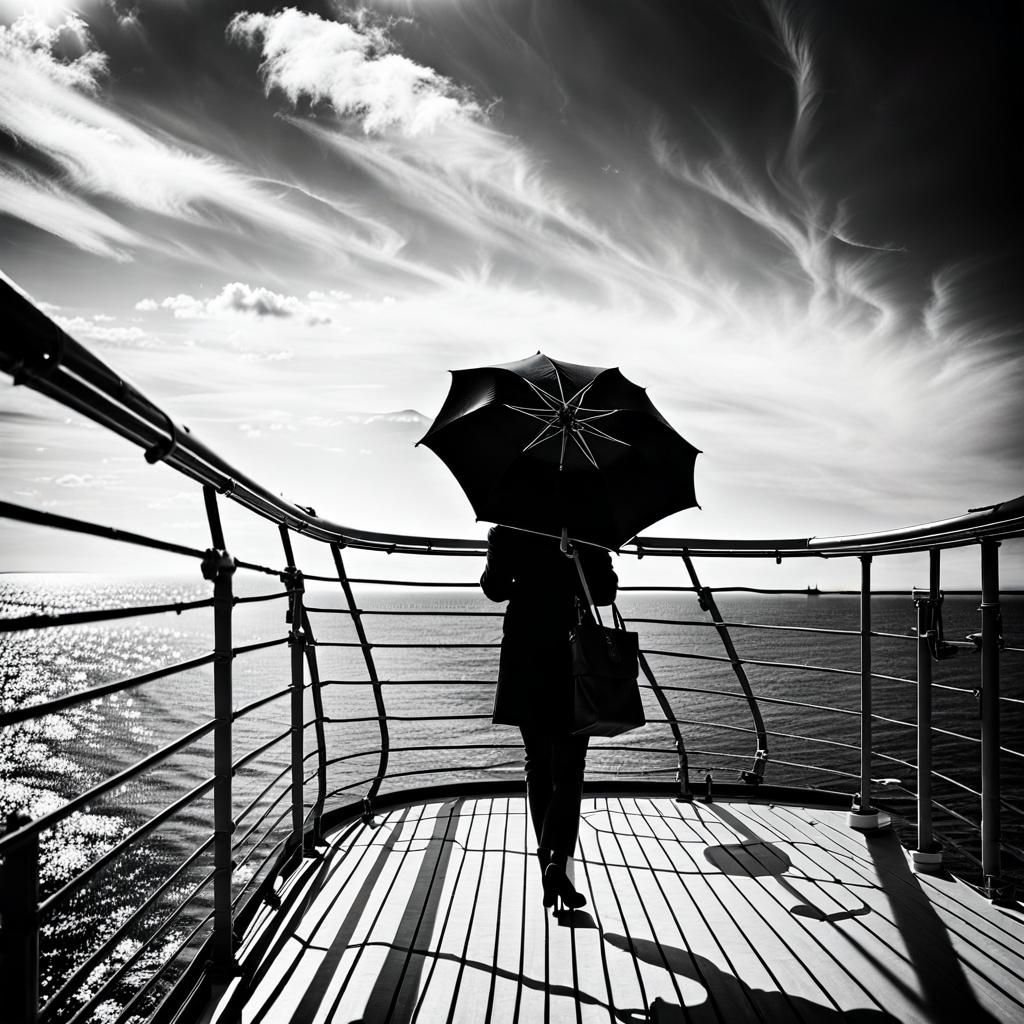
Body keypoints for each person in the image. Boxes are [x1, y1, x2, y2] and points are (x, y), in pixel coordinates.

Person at [480, 523, 618, 913]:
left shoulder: (508, 524)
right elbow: (604, 592)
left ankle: (548, 867)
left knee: (537, 765)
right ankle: (558, 862)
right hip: (573, 655)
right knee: (571, 769)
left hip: (525, 652)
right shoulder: (586, 520)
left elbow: (494, 589)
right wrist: (578, 555)